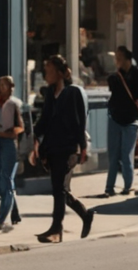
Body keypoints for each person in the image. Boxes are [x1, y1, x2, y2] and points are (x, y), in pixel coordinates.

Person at [31, 54, 94, 243]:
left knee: (59, 190)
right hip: (53, 147)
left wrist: (81, 148)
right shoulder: (50, 93)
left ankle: (56, 230)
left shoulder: (72, 92)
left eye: (49, 71)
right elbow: (45, 120)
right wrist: (35, 139)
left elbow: (78, 122)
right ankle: (85, 215)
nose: (46, 75)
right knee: (60, 190)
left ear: (59, 73)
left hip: (69, 148)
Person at [104, 46, 138, 196]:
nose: (116, 60)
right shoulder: (114, 77)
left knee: (126, 154)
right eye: (116, 57)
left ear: (127, 59)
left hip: (132, 120)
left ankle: (127, 186)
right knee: (113, 155)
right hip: (115, 118)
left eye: (119, 57)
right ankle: (109, 188)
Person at [0, 75, 23, 231]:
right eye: (0, 85)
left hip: (9, 143)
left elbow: (21, 126)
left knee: (6, 179)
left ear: (11, 87)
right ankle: (14, 212)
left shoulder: (15, 104)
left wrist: (9, 133)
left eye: (5, 85)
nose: (2, 88)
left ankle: (1, 218)